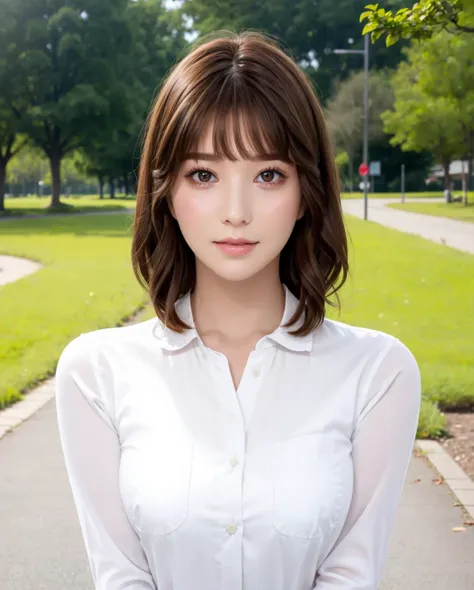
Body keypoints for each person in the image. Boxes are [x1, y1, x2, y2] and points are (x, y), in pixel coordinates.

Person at [55, 30, 421, 590]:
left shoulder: (378, 374)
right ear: (167, 193)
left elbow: (351, 576)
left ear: (306, 192)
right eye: (203, 174)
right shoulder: (95, 374)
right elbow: (122, 578)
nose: (235, 212)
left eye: (269, 174)